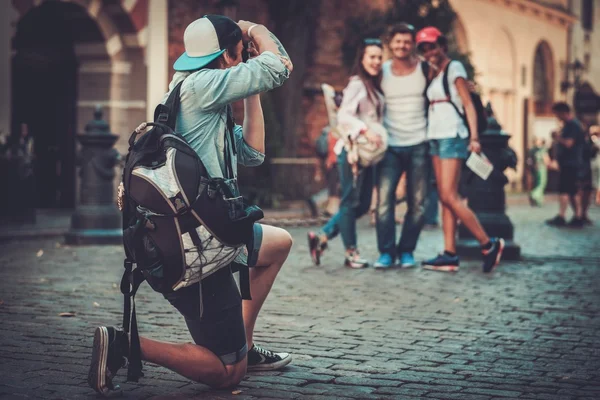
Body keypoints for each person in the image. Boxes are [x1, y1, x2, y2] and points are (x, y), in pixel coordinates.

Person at [88, 16, 294, 396]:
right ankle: (124, 345)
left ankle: (243, 346)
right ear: (228, 56)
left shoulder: (196, 94)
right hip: (195, 249)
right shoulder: (201, 87)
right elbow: (279, 66)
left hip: (206, 228)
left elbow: (252, 154)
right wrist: (256, 31)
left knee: (278, 244)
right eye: (239, 53)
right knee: (229, 374)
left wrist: (250, 88)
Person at [416, 26, 504, 273]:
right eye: (424, 48)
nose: (429, 51)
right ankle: (449, 253)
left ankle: (489, 244)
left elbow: (468, 104)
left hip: (452, 135)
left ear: (442, 45)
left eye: (432, 46)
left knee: (449, 196)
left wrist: (475, 137)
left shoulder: (455, 68)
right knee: (446, 198)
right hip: (435, 136)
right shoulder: (432, 72)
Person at [307, 38, 385, 268]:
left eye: (380, 57)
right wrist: (365, 131)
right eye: (372, 56)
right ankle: (351, 252)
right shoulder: (357, 83)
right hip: (351, 152)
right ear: (362, 59)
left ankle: (322, 235)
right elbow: (344, 116)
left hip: (367, 155)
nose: (377, 61)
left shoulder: (375, 85)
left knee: (362, 205)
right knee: (350, 202)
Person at [373, 23, 430, 269]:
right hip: (390, 145)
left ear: (413, 44)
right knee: (384, 202)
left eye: (406, 41)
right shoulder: (381, 70)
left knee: (417, 204)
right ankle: (386, 252)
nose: (402, 46)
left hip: (420, 142)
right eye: (397, 41)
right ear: (390, 43)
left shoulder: (425, 69)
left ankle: (407, 251)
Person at [545, 102, 586, 227]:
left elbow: (569, 143)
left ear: (563, 112)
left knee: (565, 190)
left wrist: (557, 137)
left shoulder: (572, 125)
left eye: (557, 114)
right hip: (570, 163)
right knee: (572, 191)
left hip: (570, 163)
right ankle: (577, 216)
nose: (557, 117)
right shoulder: (571, 125)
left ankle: (563, 216)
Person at [527, 136, 550, 207]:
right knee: (542, 184)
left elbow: (529, 161)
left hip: (536, 169)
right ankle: (534, 194)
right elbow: (546, 160)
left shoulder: (532, 150)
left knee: (537, 183)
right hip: (542, 168)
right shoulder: (542, 150)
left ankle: (539, 200)